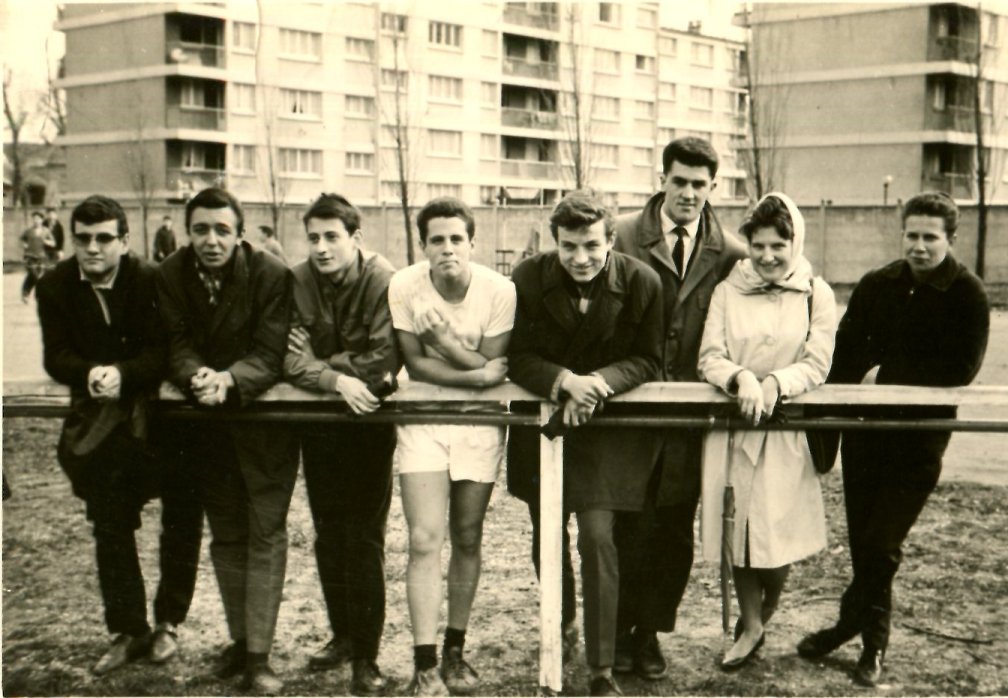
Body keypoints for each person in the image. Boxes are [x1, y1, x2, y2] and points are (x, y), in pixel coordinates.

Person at [797, 191, 990, 687]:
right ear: (901, 233)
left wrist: (886, 375)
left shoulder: (966, 293)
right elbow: (844, 352)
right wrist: (828, 411)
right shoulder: (877, 284)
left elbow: (961, 368)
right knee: (865, 543)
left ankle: (869, 643)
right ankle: (850, 626)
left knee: (882, 543)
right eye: (912, 235)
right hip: (866, 436)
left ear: (950, 239)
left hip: (918, 442)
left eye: (931, 237)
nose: (920, 246)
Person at [35, 195, 203, 675]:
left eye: (104, 238)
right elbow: (55, 355)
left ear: (125, 241)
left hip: (160, 418)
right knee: (110, 524)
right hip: (103, 421)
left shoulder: (150, 279)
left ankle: (169, 621)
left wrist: (123, 374)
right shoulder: (55, 285)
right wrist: (90, 373)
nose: (92, 248)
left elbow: (161, 349)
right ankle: (128, 629)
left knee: (182, 514)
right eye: (83, 238)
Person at [508, 190, 663, 697]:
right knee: (547, 535)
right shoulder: (528, 279)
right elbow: (518, 357)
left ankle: (600, 668)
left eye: (592, 245)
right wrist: (562, 382)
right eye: (568, 246)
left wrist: (593, 383)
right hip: (545, 429)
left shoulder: (642, 282)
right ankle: (565, 621)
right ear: (554, 241)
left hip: (603, 432)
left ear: (612, 240)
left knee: (597, 536)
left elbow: (647, 360)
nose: (580, 258)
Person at [610, 136, 747, 677]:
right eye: (679, 182)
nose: (688, 193)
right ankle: (616, 629)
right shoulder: (620, 236)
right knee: (625, 524)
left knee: (672, 528)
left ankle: (649, 634)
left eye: (699, 184)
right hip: (628, 408)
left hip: (690, 417)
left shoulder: (730, 251)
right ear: (662, 179)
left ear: (713, 187)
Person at [156, 187, 297, 694]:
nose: (210, 240)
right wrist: (197, 377)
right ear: (187, 231)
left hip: (264, 430)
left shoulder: (271, 275)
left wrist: (230, 379)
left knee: (265, 536)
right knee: (227, 538)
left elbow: (271, 349)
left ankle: (260, 657)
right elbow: (175, 341)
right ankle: (239, 644)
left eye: (221, 230)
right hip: (207, 426)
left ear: (240, 234)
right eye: (200, 230)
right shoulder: (170, 274)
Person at [696, 192, 836, 670]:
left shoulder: (817, 292)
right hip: (735, 427)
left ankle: (764, 612)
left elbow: (817, 363)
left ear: (794, 241)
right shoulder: (727, 290)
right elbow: (709, 355)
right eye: (758, 246)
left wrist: (777, 382)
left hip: (786, 431)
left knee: (777, 535)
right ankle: (751, 623)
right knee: (738, 530)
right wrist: (742, 378)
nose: (768, 256)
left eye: (779, 245)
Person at [387, 197, 516, 696]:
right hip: (422, 418)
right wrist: (475, 372)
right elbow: (416, 366)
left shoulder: (499, 289)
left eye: (456, 239)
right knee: (423, 539)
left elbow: (494, 361)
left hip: (479, 425)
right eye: (436, 240)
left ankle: (455, 651)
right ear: (423, 246)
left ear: (472, 243)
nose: (447, 249)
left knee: (467, 536)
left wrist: (447, 348)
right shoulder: (404, 284)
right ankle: (423, 663)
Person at [283, 193, 400, 695]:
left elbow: (383, 362)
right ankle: (343, 636)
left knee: (364, 537)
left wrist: (324, 361)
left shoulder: (383, 278)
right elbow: (287, 359)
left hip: (369, 418)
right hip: (321, 418)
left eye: (333, 237)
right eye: (313, 238)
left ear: (356, 238)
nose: (322, 248)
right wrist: (335, 379)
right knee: (328, 533)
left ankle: (368, 658)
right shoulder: (298, 279)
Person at [21, 211, 57, 302]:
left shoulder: (46, 231)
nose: (36, 221)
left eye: (38, 219)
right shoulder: (28, 231)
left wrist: (47, 242)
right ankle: (32, 294)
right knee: (34, 274)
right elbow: (22, 239)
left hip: (42, 257)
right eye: (34, 219)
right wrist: (24, 244)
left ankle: (26, 293)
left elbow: (53, 243)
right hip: (30, 256)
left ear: (41, 220)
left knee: (36, 276)